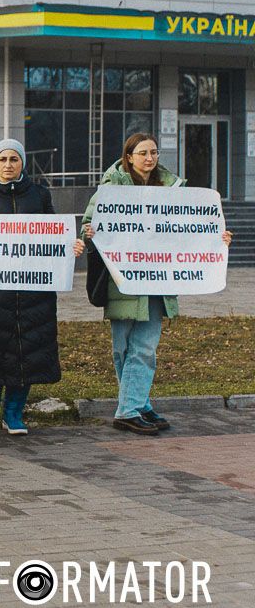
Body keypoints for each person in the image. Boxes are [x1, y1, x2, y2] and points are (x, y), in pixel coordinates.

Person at [81, 133, 232, 435]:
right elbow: (90, 225)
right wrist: (90, 231)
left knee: (145, 347)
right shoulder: (111, 190)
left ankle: (129, 409)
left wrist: (218, 238)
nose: (149, 158)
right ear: (129, 156)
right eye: (142, 153)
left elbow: (191, 229)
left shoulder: (173, 190)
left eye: (153, 152)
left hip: (157, 282)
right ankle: (138, 404)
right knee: (123, 348)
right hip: (122, 282)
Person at [0, 138, 84, 436]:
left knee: (26, 354)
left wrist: (71, 246)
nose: (8, 165)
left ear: (22, 163)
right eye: (2, 159)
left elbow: (53, 234)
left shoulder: (39, 195)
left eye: (14, 159)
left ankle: (14, 414)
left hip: (33, 293)